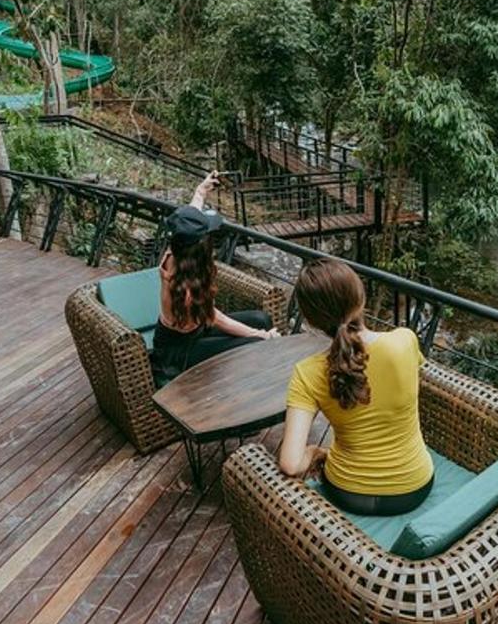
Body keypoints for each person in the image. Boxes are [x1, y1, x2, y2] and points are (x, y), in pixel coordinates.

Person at [278, 258, 434, 516]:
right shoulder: (404, 341)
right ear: (360, 298)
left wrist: (315, 451)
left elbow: (291, 464)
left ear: (311, 320)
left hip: (348, 493)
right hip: (414, 487)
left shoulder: (306, 373)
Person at [152, 172, 277, 382]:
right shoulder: (186, 289)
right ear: (200, 249)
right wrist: (262, 336)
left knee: (261, 319)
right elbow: (220, 320)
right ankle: (250, 385)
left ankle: (258, 371)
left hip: (196, 331)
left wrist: (201, 191)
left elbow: (189, 218)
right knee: (257, 341)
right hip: (180, 352)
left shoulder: (177, 249)